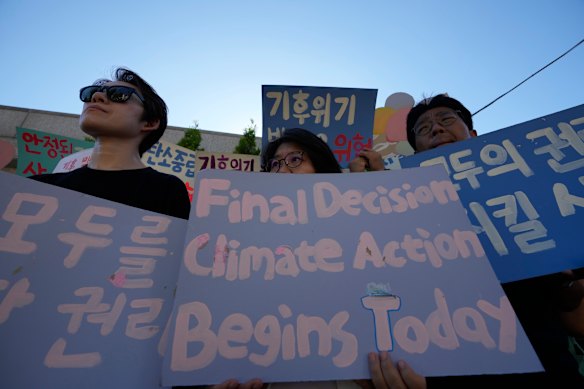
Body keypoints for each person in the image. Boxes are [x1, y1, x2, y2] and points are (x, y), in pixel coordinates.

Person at [403, 93, 584, 387]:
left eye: (446, 120)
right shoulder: (403, 215)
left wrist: (564, 281)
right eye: (423, 129)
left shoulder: (539, 203)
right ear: (415, 156)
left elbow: (579, 324)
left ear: (473, 135)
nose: (435, 129)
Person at [29, 67, 190, 220]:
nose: (96, 97)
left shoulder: (167, 190)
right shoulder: (36, 187)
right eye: (91, 92)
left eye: (119, 94)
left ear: (150, 122)